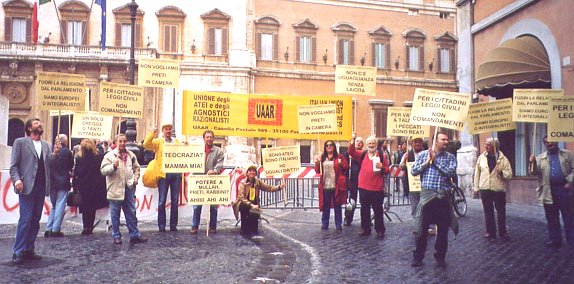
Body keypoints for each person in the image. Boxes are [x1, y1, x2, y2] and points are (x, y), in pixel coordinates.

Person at [411, 131, 458, 268]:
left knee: (443, 230)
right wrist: (427, 162)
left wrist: (435, 161)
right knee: (421, 229)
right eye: (443, 139)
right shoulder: (422, 155)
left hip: (442, 198)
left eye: (447, 139)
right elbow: (414, 171)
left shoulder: (450, 157)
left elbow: (450, 172)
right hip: (427, 199)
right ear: (435, 141)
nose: (446, 142)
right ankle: (418, 257)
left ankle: (440, 256)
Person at [9, 118, 51, 265]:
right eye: (36, 123)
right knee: (25, 219)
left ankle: (29, 248)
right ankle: (18, 251)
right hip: (26, 187)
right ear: (28, 128)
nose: (39, 124)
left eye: (40, 123)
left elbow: (49, 165)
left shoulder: (47, 145)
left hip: (41, 187)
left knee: (35, 220)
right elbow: (13, 166)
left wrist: (56, 155)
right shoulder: (20, 142)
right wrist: (17, 180)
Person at [101, 134, 147, 245]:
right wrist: (113, 166)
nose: (122, 143)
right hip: (115, 189)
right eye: (120, 141)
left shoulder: (131, 155)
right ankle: (116, 235)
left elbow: (137, 168)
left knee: (131, 213)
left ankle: (134, 235)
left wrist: (135, 180)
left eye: (124, 141)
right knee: (115, 214)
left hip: (128, 188)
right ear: (116, 142)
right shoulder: (110, 156)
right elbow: (103, 170)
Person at [529, 136, 574, 248]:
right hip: (548, 191)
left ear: (557, 141)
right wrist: (532, 163)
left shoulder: (567, 154)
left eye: (551, 141)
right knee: (551, 217)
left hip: (565, 190)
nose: (549, 144)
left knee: (569, 217)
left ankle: (572, 240)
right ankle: (555, 239)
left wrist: (570, 181)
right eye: (546, 142)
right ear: (544, 144)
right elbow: (533, 173)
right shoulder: (540, 158)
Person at [348, 135, 389, 239]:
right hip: (363, 187)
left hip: (377, 187)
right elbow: (351, 152)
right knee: (364, 209)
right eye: (369, 143)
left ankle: (380, 230)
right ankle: (365, 228)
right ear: (367, 145)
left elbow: (387, 169)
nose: (371, 145)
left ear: (376, 145)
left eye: (373, 143)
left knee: (378, 210)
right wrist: (352, 140)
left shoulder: (381, 155)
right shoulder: (363, 154)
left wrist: (382, 167)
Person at [144, 122, 182, 232]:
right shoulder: (158, 142)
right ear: (163, 131)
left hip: (175, 173)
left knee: (175, 201)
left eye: (170, 129)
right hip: (163, 174)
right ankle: (161, 225)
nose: (168, 131)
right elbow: (146, 144)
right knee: (162, 201)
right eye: (166, 129)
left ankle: (173, 225)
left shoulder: (177, 142)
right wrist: (152, 132)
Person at [474, 137, 513, 241]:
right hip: (485, 188)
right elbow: (477, 173)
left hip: (498, 189)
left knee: (501, 212)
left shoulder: (503, 159)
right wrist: (476, 187)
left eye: (488, 145)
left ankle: (502, 232)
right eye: (486, 144)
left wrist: (502, 173)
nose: (485, 146)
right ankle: (490, 232)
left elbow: (509, 175)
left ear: (495, 147)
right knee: (488, 211)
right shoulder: (481, 157)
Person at [235, 165, 285, 235]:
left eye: (253, 171)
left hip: (255, 203)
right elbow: (242, 197)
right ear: (247, 173)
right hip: (245, 204)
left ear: (255, 173)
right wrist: (251, 205)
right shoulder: (243, 183)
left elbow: (269, 188)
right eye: (250, 171)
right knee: (244, 210)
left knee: (254, 229)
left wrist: (279, 187)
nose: (252, 172)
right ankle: (244, 229)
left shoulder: (258, 182)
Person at [191, 130, 224, 234]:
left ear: (213, 138)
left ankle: (213, 226)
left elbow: (220, 163)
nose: (209, 139)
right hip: (199, 180)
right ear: (204, 138)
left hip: (212, 181)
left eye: (211, 137)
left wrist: (214, 171)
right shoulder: (197, 150)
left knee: (213, 205)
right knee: (197, 205)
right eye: (207, 137)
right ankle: (194, 226)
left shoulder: (218, 151)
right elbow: (189, 158)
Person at [73, 139, 107, 235]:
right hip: (95, 185)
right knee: (92, 207)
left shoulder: (80, 158)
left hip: (83, 185)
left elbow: (77, 173)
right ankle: (90, 227)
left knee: (85, 207)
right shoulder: (99, 156)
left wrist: (75, 187)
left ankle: (85, 226)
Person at [315, 140, 349, 231]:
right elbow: (317, 170)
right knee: (326, 206)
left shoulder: (339, 157)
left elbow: (346, 167)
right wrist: (317, 162)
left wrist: (341, 163)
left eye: (331, 145)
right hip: (325, 185)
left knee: (337, 205)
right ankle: (324, 223)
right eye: (327, 145)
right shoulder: (322, 158)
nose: (329, 147)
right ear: (325, 148)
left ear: (334, 147)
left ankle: (338, 224)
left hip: (336, 185)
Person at [45, 134, 74, 237]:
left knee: (53, 206)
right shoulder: (67, 152)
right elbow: (71, 166)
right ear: (65, 142)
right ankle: (55, 229)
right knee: (60, 206)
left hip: (52, 183)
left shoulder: (50, 155)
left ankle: (48, 228)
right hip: (62, 183)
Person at [400, 137, 425, 216]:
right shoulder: (407, 154)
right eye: (415, 142)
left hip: (424, 185)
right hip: (412, 185)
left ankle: (426, 224)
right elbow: (401, 167)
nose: (417, 144)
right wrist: (404, 160)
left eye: (419, 142)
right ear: (412, 144)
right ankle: (417, 224)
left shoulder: (426, 154)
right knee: (415, 207)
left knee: (425, 206)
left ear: (422, 144)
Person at [345, 136, 363, 226]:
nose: (358, 143)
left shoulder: (363, 154)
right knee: (351, 201)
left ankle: (365, 219)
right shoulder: (347, 154)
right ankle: (348, 218)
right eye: (357, 141)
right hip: (352, 181)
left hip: (362, 181)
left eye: (360, 142)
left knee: (365, 202)